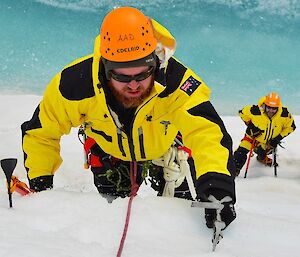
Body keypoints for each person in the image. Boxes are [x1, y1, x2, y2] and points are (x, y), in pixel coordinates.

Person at [21, 7, 236, 229]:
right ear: (105, 67)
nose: (133, 85)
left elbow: (207, 132)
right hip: (110, 152)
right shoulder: (74, 84)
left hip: (165, 148)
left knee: (178, 212)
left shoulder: (177, 82)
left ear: (155, 62)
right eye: (121, 75)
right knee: (112, 211)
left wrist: (218, 186)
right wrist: (41, 183)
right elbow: (41, 133)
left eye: (143, 73)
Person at [233, 92, 296, 176]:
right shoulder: (255, 111)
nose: (271, 111)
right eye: (269, 107)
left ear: (278, 107)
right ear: (265, 105)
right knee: (240, 153)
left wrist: (277, 139)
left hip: (268, 142)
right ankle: (233, 172)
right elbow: (242, 112)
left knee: (261, 152)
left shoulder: (284, 115)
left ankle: (262, 158)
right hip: (252, 138)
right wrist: (250, 125)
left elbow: (291, 127)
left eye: (274, 108)